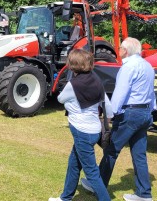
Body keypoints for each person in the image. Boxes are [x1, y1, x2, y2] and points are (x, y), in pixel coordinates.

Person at [80, 37, 156, 201]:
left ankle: (97, 185)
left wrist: (109, 114)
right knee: (139, 155)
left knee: (111, 150)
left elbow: (120, 93)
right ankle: (144, 194)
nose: (118, 49)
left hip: (130, 113)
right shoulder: (148, 65)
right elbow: (152, 93)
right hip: (145, 112)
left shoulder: (128, 67)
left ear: (126, 51)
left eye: (120, 47)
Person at [49, 49, 113, 201]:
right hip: (94, 130)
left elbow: (60, 99)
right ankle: (65, 197)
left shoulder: (73, 84)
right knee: (74, 164)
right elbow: (108, 108)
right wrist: (107, 122)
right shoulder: (97, 80)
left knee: (92, 173)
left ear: (72, 65)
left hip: (81, 132)